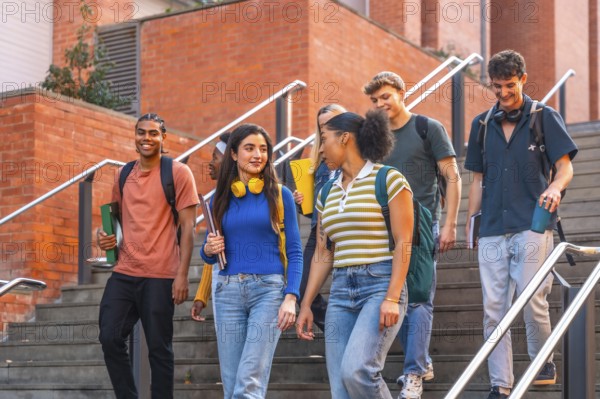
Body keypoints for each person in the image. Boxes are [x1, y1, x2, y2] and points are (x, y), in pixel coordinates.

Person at [464, 50, 577, 399]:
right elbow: (477, 181)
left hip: (532, 221)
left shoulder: (545, 117)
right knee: (493, 309)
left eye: (509, 85)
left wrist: (556, 187)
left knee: (532, 299)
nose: (503, 93)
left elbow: (564, 167)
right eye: (497, 87)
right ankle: (501, 384)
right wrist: (470, 226)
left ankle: (542, 360)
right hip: (493, 227)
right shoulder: (482, 125)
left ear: (523, 79)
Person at [296, 109, 414, 399]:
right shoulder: (326, 192)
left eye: (324, 140)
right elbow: (324, 252)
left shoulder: (388, 179)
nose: (320, 149)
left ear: (345, 138)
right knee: (340, 389)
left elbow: (404, 242)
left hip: (380, 284)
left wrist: (392, 297)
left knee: (357, 371)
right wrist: (307, 304)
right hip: (340, 291)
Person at [363, 71, 462, 399]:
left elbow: (453, 176)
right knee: (396, 296)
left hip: (421, 224)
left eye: (386, 97)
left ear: (402, 93)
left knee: (418, 297)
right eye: (375, 101)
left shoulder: (427, 128)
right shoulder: (375, 138)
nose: (381, 104)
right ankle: (421, 360)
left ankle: (414, 373)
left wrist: (449, 225)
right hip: (384, 228)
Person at [97, 113, 199, 399]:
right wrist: (102, 237)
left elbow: (189, 228)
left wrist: (182, 275)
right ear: (135, 136)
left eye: (153, 133)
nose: (147, 138)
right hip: (125, 272)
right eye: (141, 132)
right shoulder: (123, 174)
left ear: (163, 138)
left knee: (159, 349)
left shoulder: (178, 173)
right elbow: (113, 223)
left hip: (160, 275)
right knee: (109, 336)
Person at [200, 123, 303, 399]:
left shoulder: (280, 196)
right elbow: (206, 252)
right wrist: (209, 249)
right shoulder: (218, 199)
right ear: (233, 154)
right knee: (232, 385)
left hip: (268, 292)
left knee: (249, 384)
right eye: (249, 148)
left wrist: (291, 296)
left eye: (263, 149)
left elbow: (294, 251)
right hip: (227, 291)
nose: (258, 154)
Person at [292, 104, 347, 332]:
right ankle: (333, 328)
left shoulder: (353, 158)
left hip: (346, 231)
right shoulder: (321, 164)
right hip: (319, 232)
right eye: (322, 125)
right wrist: (301, 203)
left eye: (331, 123)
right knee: (301, 287)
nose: (326, 128)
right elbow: (316, 209)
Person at [191, 132, 230, 322]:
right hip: (221, 281)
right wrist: (201, 296)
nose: (210, 163)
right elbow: (213, 249)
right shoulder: (215, 199)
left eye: (215, 157)